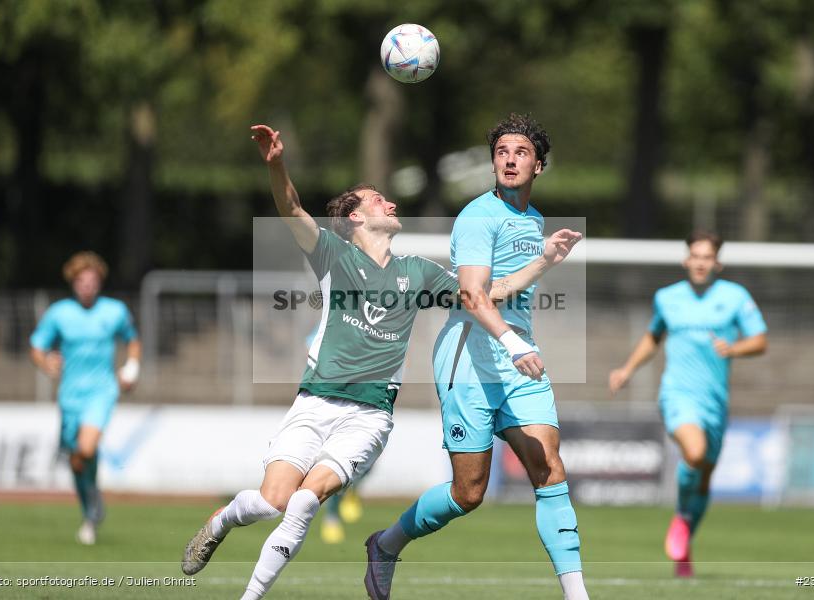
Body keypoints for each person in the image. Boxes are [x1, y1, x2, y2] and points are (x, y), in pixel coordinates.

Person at [180, 124, 575, 600]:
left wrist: (544, 262)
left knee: (305, 502)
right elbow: (290, 209)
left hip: (369, 413)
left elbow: (484, 293)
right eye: (377, 199)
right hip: (316, 402)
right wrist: (276, 163)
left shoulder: (419, 271)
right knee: (272, 502)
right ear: (352, 218)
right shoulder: (333, 254)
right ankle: (222, 520)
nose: (390, 203)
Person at [365, 113, 588, 600]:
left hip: (518, 358)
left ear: (539, 166)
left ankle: (577, 594)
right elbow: (472, 295)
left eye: (521, 152)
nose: (510, 159)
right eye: (502, 151)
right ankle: (385, 545)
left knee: (548, 466)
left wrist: (545, 258)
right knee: (468, 493)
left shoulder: (532, 219)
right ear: (493, 162)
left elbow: (508, 286)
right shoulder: (477, 216)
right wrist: (513, 342)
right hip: (470, 357)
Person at [608, 231, 768, 577]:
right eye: (695, 255)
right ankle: (681, 517)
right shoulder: (667, 298)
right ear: (686, 260)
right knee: (694, 453)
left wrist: (734, 349)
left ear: (717, 263)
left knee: (705, 479)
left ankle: (685, 547)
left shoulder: (735, 297)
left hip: (715, 403)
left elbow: (759, 340)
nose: (700, 262)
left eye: (707, 257)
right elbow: (654, 336)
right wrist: (626, 369)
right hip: (677, 394)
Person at [29, 251, 140, 545]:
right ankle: (90, 504)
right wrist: (45, 362)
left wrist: (131, 368)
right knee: (77, 459)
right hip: (70, 396)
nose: (87, 286)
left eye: (92, 280)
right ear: (73, 283)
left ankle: (91, 507)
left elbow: (132, 340)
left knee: (87, 448)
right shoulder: (59, 313)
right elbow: (37, 347)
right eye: (82, 281)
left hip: (102, 391)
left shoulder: (114, 311)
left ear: (99, 282)